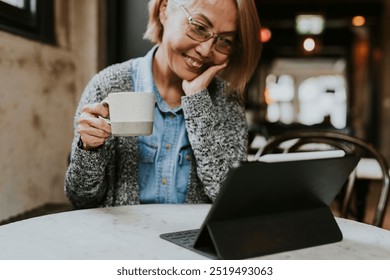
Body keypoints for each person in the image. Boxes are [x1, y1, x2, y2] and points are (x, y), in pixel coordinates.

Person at [65, 0, 262, 208]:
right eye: (199, 27)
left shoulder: (227, 101)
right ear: (164, 10)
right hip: (121, 238)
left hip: (191, 239)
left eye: (225, 41)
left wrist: (198, 101)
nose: (206, 51)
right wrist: (89, 149)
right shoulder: (107, 86)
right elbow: (80, 199)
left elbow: (233, 202)